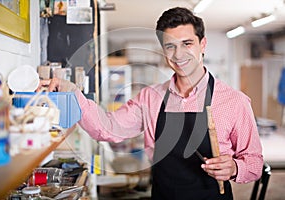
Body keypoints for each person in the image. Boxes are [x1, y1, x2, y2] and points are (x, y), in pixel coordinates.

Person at [38, 7, 263, 200]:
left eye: (187, 43)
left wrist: (234, 167)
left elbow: (254, 163)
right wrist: (72, 91)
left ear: (202, 44)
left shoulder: (234, 102)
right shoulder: (151, 98)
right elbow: (108, 128)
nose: (179, 54)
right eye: (170, 46)